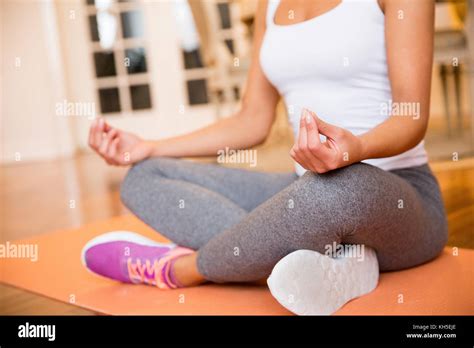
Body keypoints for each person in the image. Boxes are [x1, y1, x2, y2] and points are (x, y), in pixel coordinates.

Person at [82, 0, 447, 315]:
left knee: (338, 185)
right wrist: (150, 146)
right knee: (144, 177)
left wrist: (356, 149)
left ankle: (183, 269)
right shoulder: (269, 4)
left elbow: (411, 117)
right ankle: (320, 263)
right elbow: (252, 120)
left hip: (396, 197)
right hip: (302, 190)